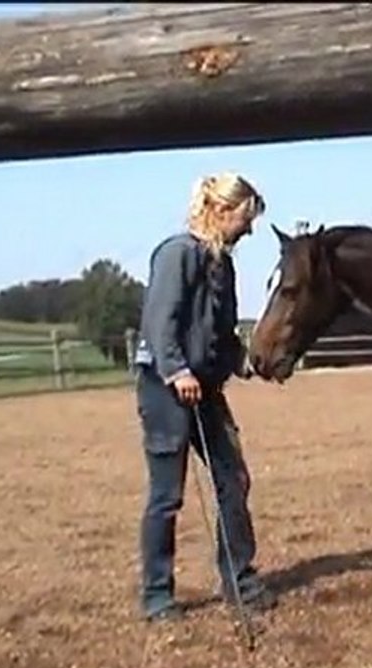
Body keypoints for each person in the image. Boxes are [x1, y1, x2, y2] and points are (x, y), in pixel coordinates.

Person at [133, 172, 277, 622]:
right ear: (219, 211)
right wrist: (177, 371)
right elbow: (161, 322)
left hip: (207, 388)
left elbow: (223, 330)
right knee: (167, 495)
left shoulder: (222, 264)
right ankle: (158, 596)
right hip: (165, 389)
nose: (248, 229)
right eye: (243, 218)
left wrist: (244, 362)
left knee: (233, 479)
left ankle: (239, 577)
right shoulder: (177, 254)